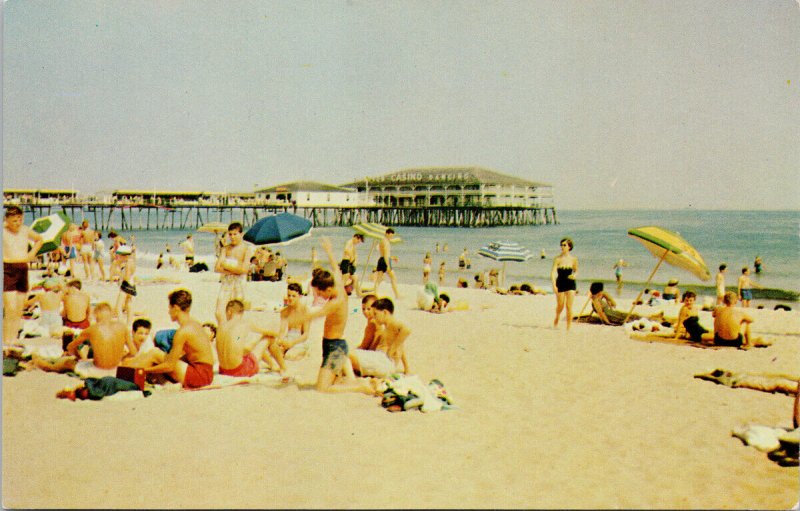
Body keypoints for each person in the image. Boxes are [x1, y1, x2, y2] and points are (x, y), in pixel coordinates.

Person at [300, 237, 377, 394]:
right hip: (331, 344)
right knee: (330, 381)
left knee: (322, 388)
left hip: (335, 347)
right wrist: (328, 250)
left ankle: (361, 387)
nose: (320, 296)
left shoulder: (336, 301)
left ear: (328, 290)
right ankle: (358, 382)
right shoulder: (338, 284)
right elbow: (336, 268)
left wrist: (293, 318)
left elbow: (319, 314)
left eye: (320, 293)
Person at [143, 289, 215, 389]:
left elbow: (170, 366)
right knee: (159, 360)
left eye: (169, 308)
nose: (168, 312)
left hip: (199, 376)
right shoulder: (195, 324)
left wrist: (145, 370)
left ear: (176, 308)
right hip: (206, 373)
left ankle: (129, 376)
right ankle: (132, 375)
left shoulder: (183, 331)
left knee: (155, 353)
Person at [3, 206, 43, 344]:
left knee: (19, 309)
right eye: (14, 221)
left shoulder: (25, 230)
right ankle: (5, 341)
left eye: (19, 220)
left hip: (23, 269)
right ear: (7, 220)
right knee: (10, 309)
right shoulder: (3, 231)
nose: (17, 223)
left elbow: (39, 239)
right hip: (7, 269)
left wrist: (31, 254)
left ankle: (12, 340)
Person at [66, 302, 137, 377]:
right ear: (111, 314)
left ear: (96, 315)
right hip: (116, 371)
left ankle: (52, 366)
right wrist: (122, 358)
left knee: (67, 363)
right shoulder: (122, 327)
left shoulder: (92, 329)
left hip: (98, 371)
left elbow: (70, 347)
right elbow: (133, 352)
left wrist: (75, 355)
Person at [350, 297, 410, 378]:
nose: (374, 317)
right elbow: (401, 346)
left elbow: (407, 330)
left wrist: (392, 349)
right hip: (381, 359)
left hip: (383, 360)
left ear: (385, 312)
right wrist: (407, 368)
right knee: (349, 355)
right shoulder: (388, 327)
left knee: (348, 354)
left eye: (376, 314)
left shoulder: (393, 323)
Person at [216, 299, 276, 377]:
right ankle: (282, 367)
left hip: (223, 371)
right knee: (268, 338)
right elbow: (270, 333)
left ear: (229, 311)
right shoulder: (245, 323)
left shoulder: (221, 325)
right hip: (240, 371)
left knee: (251, 348)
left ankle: (272, 364)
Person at [214, 222, 249, 323]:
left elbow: (244, 270)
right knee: (219, 312)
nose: (232, 237)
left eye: (235, 234)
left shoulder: (246, 249)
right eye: (230, 234)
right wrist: (235, 270)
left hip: (239, 283)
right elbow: (217, 268)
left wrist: (226, 266)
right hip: (226, 282)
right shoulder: (225, 249)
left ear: (241, 234)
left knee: (236, 312)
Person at [272, 282, 312, 364]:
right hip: (288, 338)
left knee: (289, 356)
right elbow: (282, 332)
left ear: (300, 296)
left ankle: (305, 352)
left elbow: (305, 334)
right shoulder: (284, 311)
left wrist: (292, 343)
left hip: (299, 339)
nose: (290, 298)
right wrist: (280, 341)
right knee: (274, 352)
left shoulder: (305, 311)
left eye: (293, 296)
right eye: (289, 295)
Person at [552, 237, 578, 330]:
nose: (562, 247)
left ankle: (568, 327)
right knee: (560, 305)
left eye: (564, 245)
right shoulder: (557, 259)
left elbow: (576, 271)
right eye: (561, 245)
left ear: (569, 247)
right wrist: (554, 285)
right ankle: (557, 316)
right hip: (560, 282)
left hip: (570, 283)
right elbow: (553, 273)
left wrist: (575, 275)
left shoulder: (574, 259)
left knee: (569, 306)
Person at [374, 228, 400, 298]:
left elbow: (385, 254)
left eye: (392, 236)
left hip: (381, 260)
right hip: (385, 261)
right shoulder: (385, 242)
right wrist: (388, 265)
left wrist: (392, 258)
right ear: (387, 234)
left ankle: (375, 293)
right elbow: (385, 255)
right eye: (391, 235)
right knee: (393, 278)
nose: (391, 237)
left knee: (379, 279)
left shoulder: (383, 241)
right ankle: (397, 295)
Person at [114, 245, 137, 325]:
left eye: (119, 255)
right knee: (129, 304)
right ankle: (129, 323)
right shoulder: (131, 261)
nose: (118, 257)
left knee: (119, 306)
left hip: (126, 285)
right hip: (132, 284)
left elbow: (126, 277)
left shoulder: (127, 264)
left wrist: (119, 275)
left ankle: (121, 323)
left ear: (124, 256)